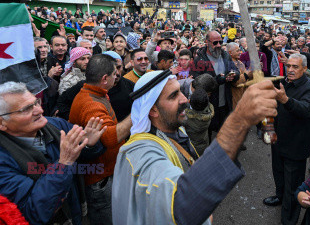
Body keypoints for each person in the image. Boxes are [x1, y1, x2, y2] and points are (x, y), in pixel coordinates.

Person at [112, 70, 278, 224]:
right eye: (173, 96)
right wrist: (240, 119)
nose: (184, 99)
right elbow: (182, 205)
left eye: (180, 91)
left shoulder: (176, 129)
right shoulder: (139, 151)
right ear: (153, 110)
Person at [0, 82, 106, 225]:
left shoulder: (55, 125)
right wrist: (63, 164)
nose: (39, 110)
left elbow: (86, 158)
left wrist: (88, 145)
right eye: (26, 109)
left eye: (36, 103)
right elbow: (35, 212)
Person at [69, 54, 133, 224]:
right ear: (105, 79)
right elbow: (110, 138)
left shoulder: (97, 93)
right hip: (100, 182)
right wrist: (137, 114)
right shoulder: (92, 105)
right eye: (114, 73)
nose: (117, 76)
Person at [264, 54, 310, 225]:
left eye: (295, 67)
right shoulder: (284, 82)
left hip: (295, 145)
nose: (290, 70)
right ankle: (279, 197)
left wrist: (286, 100)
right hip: (278, 139)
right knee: (279, 174)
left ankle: (289, 219)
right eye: (288, 66)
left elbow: (307, 110)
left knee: (293, 184)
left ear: (304, 69)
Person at [190, 31, 240, 135]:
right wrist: (217, 80)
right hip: (208, 104)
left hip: (225, 102)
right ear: (207, 42)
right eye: (215, 43)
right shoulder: (199, 59)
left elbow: (236, 70)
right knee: (207, 134)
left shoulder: (225, 55)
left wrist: (234, 75)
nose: (218, 45)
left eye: (220, 42)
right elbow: (197, 82)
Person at [184, 87, 214, 155]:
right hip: (204, 143)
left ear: (190, 101)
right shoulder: (208, 110)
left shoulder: (187, 119)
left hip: (193, 147)